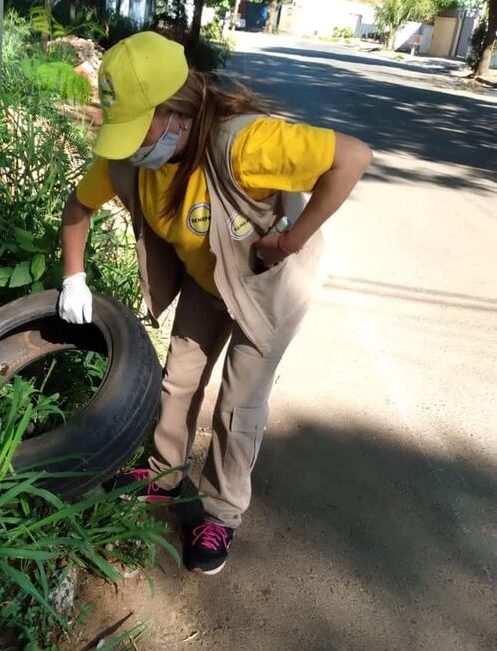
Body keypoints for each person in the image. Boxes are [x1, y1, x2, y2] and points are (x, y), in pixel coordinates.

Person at [57, 31, 372, 575]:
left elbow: (352, 157)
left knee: (239, 402)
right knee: (178, 378)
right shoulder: (131, 161)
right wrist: (73, 279)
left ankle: (221, 512)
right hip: (210, 277)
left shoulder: (243, 143)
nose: (131, 144)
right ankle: (163, 473)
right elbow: (77, 208)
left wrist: (289, 241)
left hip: (269, 283)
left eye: (141, 127)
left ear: (178, 111)